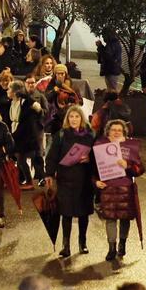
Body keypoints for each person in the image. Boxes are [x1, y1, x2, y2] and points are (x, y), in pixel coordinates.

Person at [45, 105, 95, 257]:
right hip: (65, 178)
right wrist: (49, 174)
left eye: (77, 116)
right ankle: (65, 245)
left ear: (82, 118)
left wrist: (89, 158)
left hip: (84, 179)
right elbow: (52, 156)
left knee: (83, 213)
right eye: (71, 117)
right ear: (67, 119)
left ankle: (83, 242)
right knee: (66, 213)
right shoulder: (61, 134)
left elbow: (98, 156)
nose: (74, 119)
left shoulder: (90, 135)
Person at [93, 120, 144, 261]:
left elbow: (140, 169)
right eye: (113, 130)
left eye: (119, 130)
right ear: (108, 131)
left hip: (125, 188)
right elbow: (93, 170)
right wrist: (95, 182)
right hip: (108, 189)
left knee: (124, 219)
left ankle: (122, 244)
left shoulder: (130, 147)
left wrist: (127, 165)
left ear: (124, 132)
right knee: (110, 219)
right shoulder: (100, 146)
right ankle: (111, 248)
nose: (116, 132)